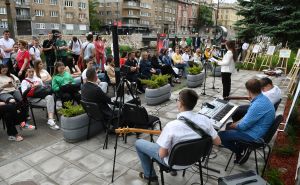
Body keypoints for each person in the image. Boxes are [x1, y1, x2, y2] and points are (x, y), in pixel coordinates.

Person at [135, 89, 221, 183]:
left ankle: (150, 177)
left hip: (173, 163)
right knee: (170, 145)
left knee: (139, 143)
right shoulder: (205, 120)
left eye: (177, 100)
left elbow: (162, 155)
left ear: (181, 103)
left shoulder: (171, 126)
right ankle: (170, 170)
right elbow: (218, 142)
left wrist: (162, 143)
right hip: (195, 159)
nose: (177, 102)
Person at [219, 79, 275, 164]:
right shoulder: (263, 99)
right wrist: (235, 124)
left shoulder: (257, 104)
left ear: (248, 91)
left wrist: (234, 125)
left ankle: (240, 151)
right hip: (259, 130)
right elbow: (248, 117)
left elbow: (242, 126)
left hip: (254, 136)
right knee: (229, 126)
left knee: (220, 136)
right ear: (260, 89)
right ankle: (241, 146)